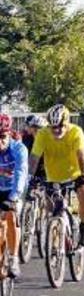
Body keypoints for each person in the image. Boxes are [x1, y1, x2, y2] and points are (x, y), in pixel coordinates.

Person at [29, 104, 84, 247]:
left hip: (75, 174)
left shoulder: (76, 132)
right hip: (54, 177)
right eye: (53, 127)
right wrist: (29, 177)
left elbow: (81, 156)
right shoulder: (43, 134)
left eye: (60, 126)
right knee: (53, 211)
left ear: (67, 122)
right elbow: (34, 158)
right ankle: (61, 244)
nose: (56, 130)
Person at [0, 114, 27, 278]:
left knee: (11, 216)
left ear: (9, 134)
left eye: (2, 137)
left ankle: (14, 257)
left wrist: (14, 197)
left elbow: (21, 174)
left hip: (13, 190)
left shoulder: (18, 149)